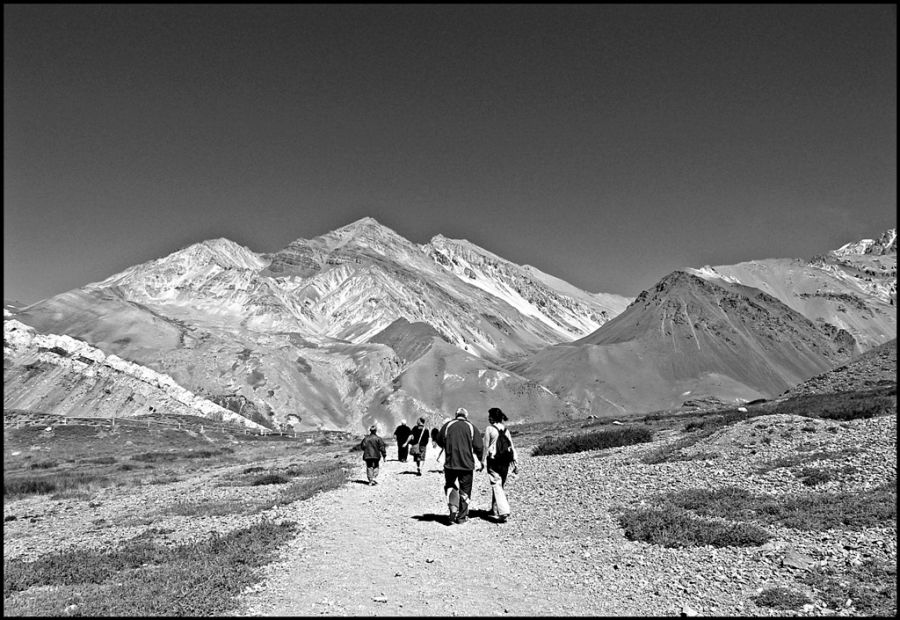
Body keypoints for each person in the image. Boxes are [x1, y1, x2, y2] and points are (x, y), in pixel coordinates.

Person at [436, 407, 484, 525]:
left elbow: (439, 440)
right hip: (466, 465)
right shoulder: (471, 427)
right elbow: (479, 446)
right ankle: (462, 517)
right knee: (465, 490)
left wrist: (447, 445)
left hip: (450, 464)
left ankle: (453, 507)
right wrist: (481, 460)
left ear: (456, 415)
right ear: (466, 416)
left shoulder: (448, 425)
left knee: (450, 485)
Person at [483, 407, 518, 523]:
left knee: (496, 485)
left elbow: (486, 446)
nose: (488, 418)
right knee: (500, 485)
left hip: (493, 461)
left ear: (492, 417)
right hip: (505, 461)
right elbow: (511, 446)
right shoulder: (506, 430)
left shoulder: (489, 429)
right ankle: (494, 509)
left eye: (489, 416)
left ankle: (503, 511)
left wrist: (482, 461)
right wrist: (515, 462)